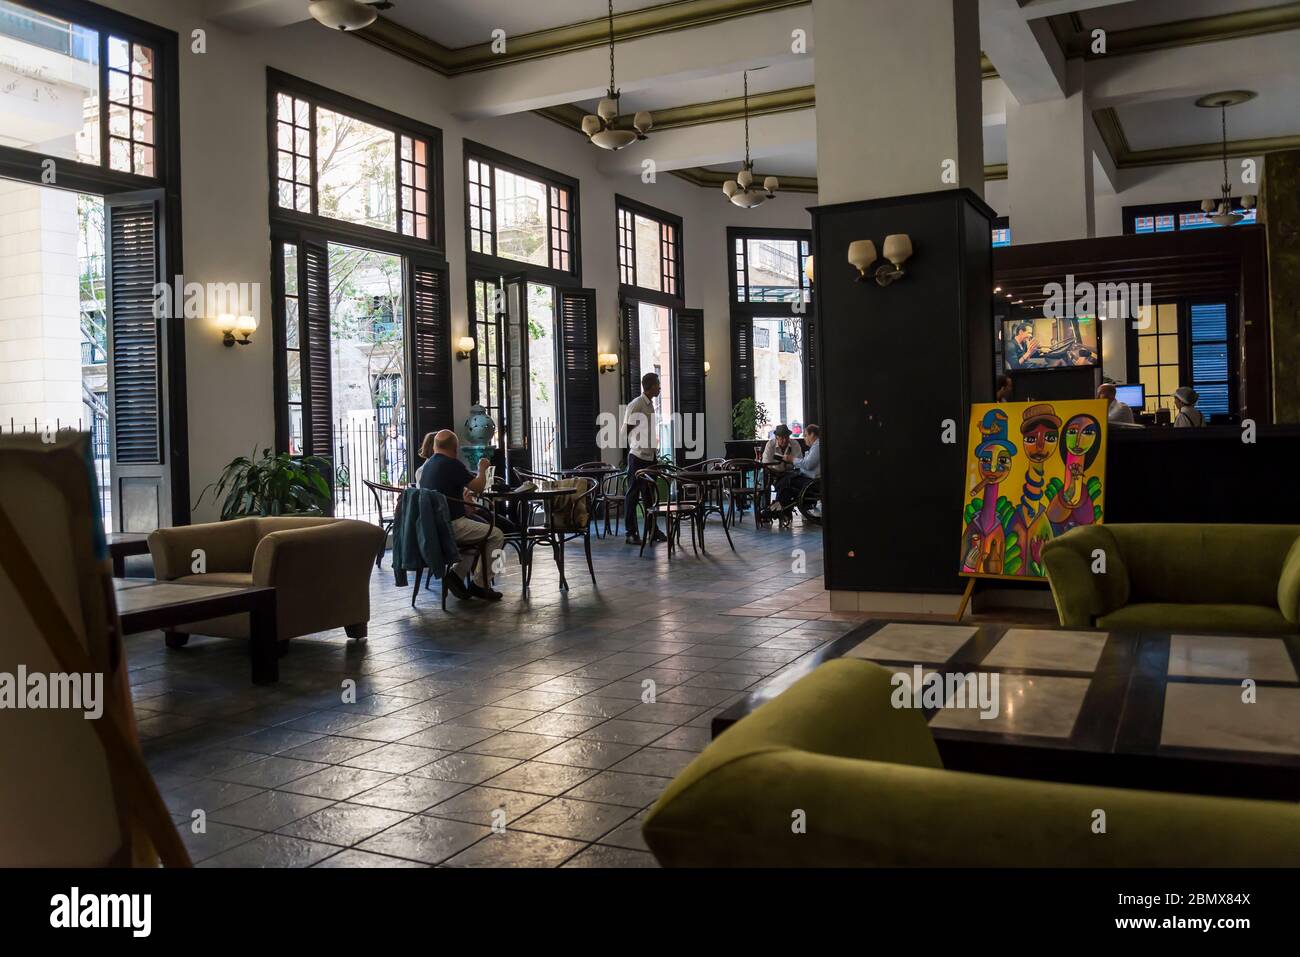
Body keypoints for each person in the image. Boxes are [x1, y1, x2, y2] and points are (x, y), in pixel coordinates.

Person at [418, 429, 505, 601]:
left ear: (435, 446)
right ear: (455, 448)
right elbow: (479, 487)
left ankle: (456, 576)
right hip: (452, 525)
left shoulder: (427, 466)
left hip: (434, 527)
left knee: (478, 538)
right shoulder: (451, 464)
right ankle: (481, 584)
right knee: (497, 534)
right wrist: (482, 468)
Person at [622, 373, 666, 545]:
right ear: (650, 386)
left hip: (650, 457)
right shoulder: (637, 404)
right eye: (658, 384)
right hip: (638, 456)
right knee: (632, 495)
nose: (660, 387)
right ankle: (630, 533)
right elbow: (625, 430)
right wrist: (638, 443)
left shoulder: (650, 405)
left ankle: (652, 530)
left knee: (649, 495)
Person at [768, 424, 820, 518]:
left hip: (813, 481)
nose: (804, 438)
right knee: (786, 487)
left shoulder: (817, 446)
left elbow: (807, 464)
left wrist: (792, 459)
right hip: (807, 477)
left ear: (812, 434)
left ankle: (775, 509)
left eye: (805, 435)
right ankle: (781, 510)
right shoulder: (815, 447)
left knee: (785, 481)